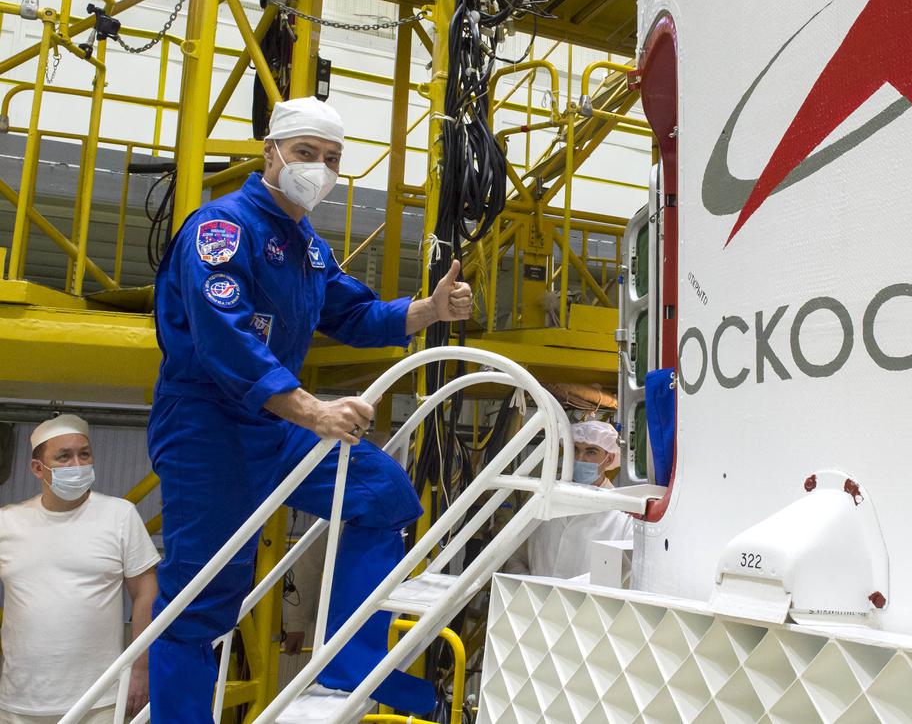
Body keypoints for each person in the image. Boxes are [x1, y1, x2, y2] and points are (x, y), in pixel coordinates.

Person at [146, 97, 473, 722]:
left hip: (277, 424)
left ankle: (352, 660)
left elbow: (353, 313)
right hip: (208, 427)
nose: (318, 169)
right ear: (271, 153)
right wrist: (311, 410)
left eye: (331, 159)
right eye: (305, 154)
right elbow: (225, 338)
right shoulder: (222, 228)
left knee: (384, 496)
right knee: (202, 596)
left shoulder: (306, 246)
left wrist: (429, 311)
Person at [0, 414, 159, 724]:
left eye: (84, 454)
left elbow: (146, 591)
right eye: (64, 457)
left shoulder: (119, 516)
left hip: (98, 698)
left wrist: (140, 669)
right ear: (37, 468)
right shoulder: (8, 522)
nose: (77, 464)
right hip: (19, 700)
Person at [507, 421, 634, 579]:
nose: (580, 458)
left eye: (591, 452)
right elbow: (514, 556)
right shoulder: (542, 499)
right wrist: (531, 591)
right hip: (535, 600)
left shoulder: (622, 515)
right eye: (575, 449)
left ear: (609, 459)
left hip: (587, 602)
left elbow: (625, 575)